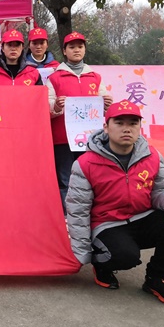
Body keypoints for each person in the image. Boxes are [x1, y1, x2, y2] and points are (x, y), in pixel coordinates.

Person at [66, 100, 164, 309]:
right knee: (124, 257)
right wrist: (83, 254)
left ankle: (157, 279)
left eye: (133, 123)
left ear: (139, 127)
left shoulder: (152, 156)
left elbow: (162, 190)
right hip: (107, 225)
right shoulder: (85, 164)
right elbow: (78, 211)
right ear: (106, 127)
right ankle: (102, 265)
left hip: (141, 217)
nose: (127, 129)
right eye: (119, 123)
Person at [46, 32, 113, 209]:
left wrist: (107, 104)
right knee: (65, 178)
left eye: (80, 46)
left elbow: (104, 107)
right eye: (72, 47)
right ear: (64, 51)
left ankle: (90, 212)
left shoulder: (95, 77)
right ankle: (67, 215)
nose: (76, 50)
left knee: (90, 176)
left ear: (84, 49)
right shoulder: (54, 78)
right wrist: (56, 106)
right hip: (62, 139)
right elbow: (46, 107)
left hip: (91, 139)